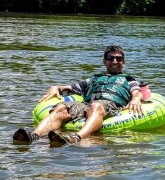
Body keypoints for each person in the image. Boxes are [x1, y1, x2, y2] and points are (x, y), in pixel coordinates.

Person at [13, 45, 147, 144]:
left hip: (110, 106)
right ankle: (34, 135)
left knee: (96, 106)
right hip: (86, 106)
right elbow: (68, 88)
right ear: (104, 61)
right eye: (110, 58)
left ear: (123, 62)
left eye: (118, 59)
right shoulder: (93, 79)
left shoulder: (129, 79)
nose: (114, 61)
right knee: (61, 107)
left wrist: (136, 99)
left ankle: (76, 137)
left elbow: (137, 93)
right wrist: (55, 87)